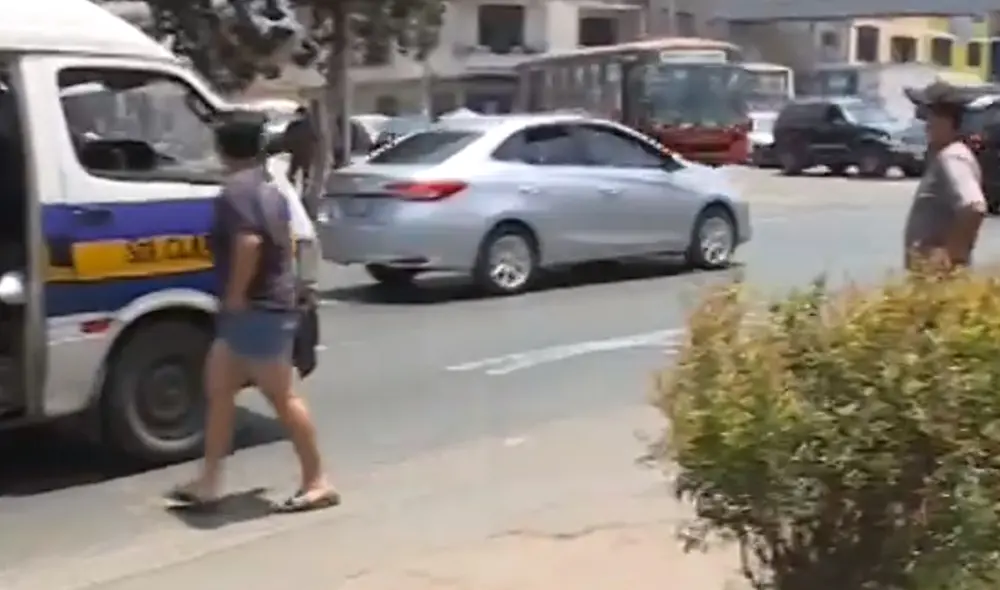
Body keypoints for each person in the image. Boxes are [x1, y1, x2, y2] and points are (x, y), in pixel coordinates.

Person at [168, 111, 337, 512]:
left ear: (223, 148)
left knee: (281, 397)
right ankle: (209, 480)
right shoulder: (269, 188)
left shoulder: (236, 192)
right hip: (265, 306)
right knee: (219, 389)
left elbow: (248, 244)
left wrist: (235, 296)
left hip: (258, 309)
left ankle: (317, 480)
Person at [903, 82, 987, 270]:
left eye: (928, 116)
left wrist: (951, 256)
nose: (926, 125)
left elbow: (974, 207)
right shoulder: (947, 155)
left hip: (939, 283)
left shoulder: (953, 157)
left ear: (947, 120)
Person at [284, 105, 315, 190]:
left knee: (295, 173)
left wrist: (288, 147)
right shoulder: (310, 125)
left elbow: (286, 137)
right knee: (303, 174)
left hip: (300, 153)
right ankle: (302, 190)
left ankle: (296, 189)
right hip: (304, 153)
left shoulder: (294, 125)